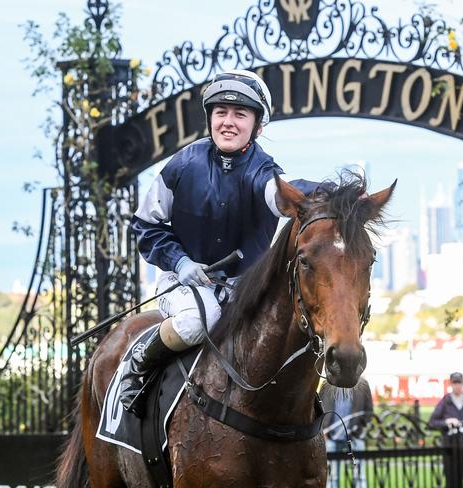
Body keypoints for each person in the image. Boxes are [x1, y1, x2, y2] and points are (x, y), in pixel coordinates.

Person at [119, 70, 314, 416]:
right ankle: (139, 361)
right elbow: (145, 224)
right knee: (200, 319)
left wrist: (331, 193)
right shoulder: (180, 165)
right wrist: (179, 261)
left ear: (258, 126)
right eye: (220, 112)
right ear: (209, 117)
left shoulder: (263, 172)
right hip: (184, 283)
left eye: (240, 114)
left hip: (246, 288)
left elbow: (281, 194)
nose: (228, 122)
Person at [429, 372, 463, 488]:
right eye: (455, 383)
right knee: (453, 483)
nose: (457, 386)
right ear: (451, 384)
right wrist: (446, 422)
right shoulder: (445, 402)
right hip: (451, 448)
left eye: (459, 383)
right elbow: (432, 422)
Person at [320, 378, 373, 488]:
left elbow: (369, 411)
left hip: (355, 436)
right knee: (333, 477)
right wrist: (323, 431)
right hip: (331, 437)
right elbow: (318, 407)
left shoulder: (362, 384)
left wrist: (360, 430)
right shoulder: (326, 384)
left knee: (359, 476)